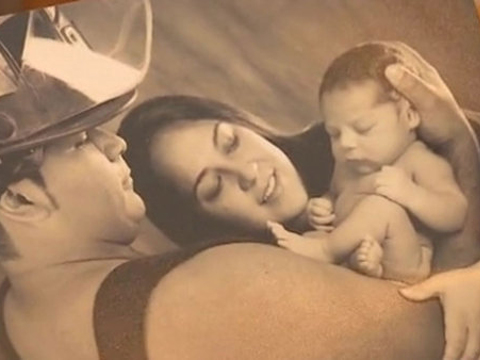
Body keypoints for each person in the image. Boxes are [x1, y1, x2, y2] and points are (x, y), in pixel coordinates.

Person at [0, 4, 479, 360]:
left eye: (230, 142)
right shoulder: (217, 291)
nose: (113, 146)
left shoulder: (21, 326)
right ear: (18, 198)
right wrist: (458, 143)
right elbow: (457, 336)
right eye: (83, 138)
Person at [268, 42, 467, 283]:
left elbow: (456, 212)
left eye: (363, 129)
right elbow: (335, 194)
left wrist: (411, 194)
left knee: (382, 208)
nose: (347, 144)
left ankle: (329, 251)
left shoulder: (418, 159)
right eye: (335, 134)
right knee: (311, 236)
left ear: (409, 115)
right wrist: (322, 206)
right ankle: (365, 264)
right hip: (360, 250)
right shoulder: (347, 165)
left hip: (408, 259)